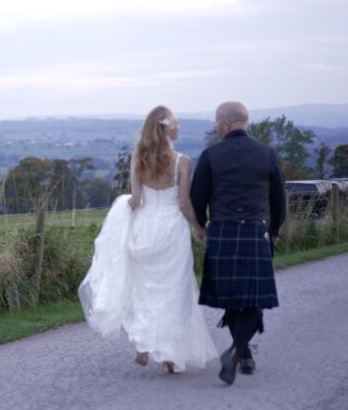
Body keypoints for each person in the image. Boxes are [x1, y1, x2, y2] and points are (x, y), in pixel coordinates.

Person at [79, 105, 217, 374]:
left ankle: (143, 346)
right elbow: (184, 203)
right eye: (177, 122)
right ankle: (169, 356)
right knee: (174, 292)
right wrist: (198, 228)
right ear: (168, 127)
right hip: (171, 231)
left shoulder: (138, 158)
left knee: (144, 290)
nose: (179, 126)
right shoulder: (183, 161)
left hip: (144, 229)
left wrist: (120, 214)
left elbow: (136, 200)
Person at [190, 101, 287, 385]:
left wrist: (200, 226)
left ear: (226, 124)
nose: (215, 126)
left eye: (216, 121)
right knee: (254, 297)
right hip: (256, 232)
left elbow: (198, 198)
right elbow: (279, 198)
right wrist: (276, 228)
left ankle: (237, 351)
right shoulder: (267, 154)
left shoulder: (211, 155)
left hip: (222, 232)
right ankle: (241, 352)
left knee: (233, 297)